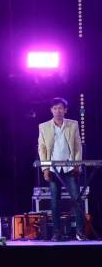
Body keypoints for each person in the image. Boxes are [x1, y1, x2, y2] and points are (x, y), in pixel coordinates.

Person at [37, 97, 85, 241]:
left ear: (65, 110)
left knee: (77, 199)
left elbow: (77, 146)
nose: (58, 111)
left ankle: (80, 232)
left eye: (60, 108)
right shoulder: (44, 126)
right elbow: (42, 148)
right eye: (55, 108)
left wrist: (77, 164)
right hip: (53, 169)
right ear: (51, 110)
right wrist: (45, 168)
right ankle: (56, 233)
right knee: (54, 201)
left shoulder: (73, 124)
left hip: (70, 167)